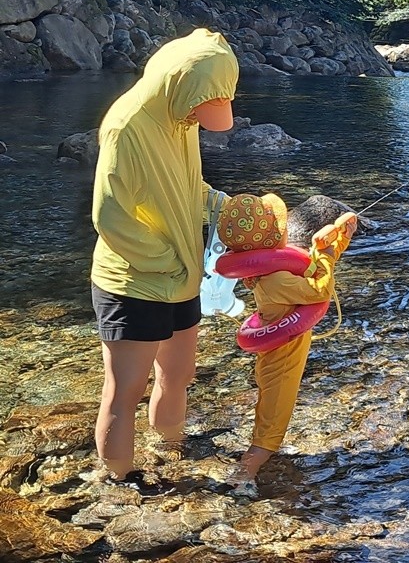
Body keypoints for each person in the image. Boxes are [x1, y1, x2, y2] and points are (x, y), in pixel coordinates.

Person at [91, 28, 238, 493]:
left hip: (181, 274)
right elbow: (109, 215)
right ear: (179, 85)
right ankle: (118, 482)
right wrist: (166, 263)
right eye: (202, 109)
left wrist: (227, 208)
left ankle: (169, 449)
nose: (203, 118)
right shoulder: (127, 125)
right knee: (125, 391)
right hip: (134, 279)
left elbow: (188, 187)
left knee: (179, 374)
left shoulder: (182, 119)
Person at [216, 193, 357, 496]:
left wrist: (337, 243)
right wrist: (326, 256)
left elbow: (311, 270)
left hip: (276, 358)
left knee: (271, 416)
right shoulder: (277, 281)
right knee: (270, 430)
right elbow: (320, 289)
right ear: (271, 241)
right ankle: (241, 476)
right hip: (281, 365)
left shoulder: (267, 273)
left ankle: (252, 467)